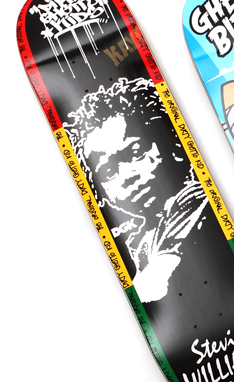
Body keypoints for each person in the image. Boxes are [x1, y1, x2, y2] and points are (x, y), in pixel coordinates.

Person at [65, 77, 207, 302]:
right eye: (108, 171)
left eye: (135, 152)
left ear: (171, 143)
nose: (127, 174)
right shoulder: (139, 243)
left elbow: (154, 290)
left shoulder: (196, 203)